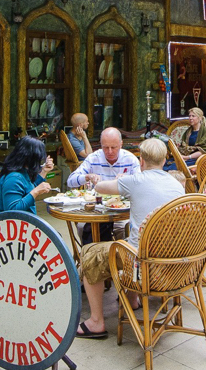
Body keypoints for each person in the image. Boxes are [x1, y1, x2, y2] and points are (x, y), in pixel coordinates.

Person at [74, 139, 185, 339]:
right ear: (164, 159)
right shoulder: (176, 185)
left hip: (140, 260)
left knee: (90, 252)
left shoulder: (135, 181)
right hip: (173, 259)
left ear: (141, 161)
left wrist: (99, 180)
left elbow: (100, 188)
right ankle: (132, 299)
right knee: (131, 235)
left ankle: (96, 322)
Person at [0, 136, 54, 212]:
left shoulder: (21, 171)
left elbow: (27, 189)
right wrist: (36, 192)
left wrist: (44, 171)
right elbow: (12, 210)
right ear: (31, 158)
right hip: (14, 222)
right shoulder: (13, 178)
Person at [67, 127, 140, 188]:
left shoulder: (130, 159)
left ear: (121, 144)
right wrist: (88, 177)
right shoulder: (93, 158)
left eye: (114, 147)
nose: (110, 151)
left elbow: (141, 183)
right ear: (101, 145)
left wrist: (128, 180)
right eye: (106, 147)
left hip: (123, 201)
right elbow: (70, 181)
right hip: (98, 201)